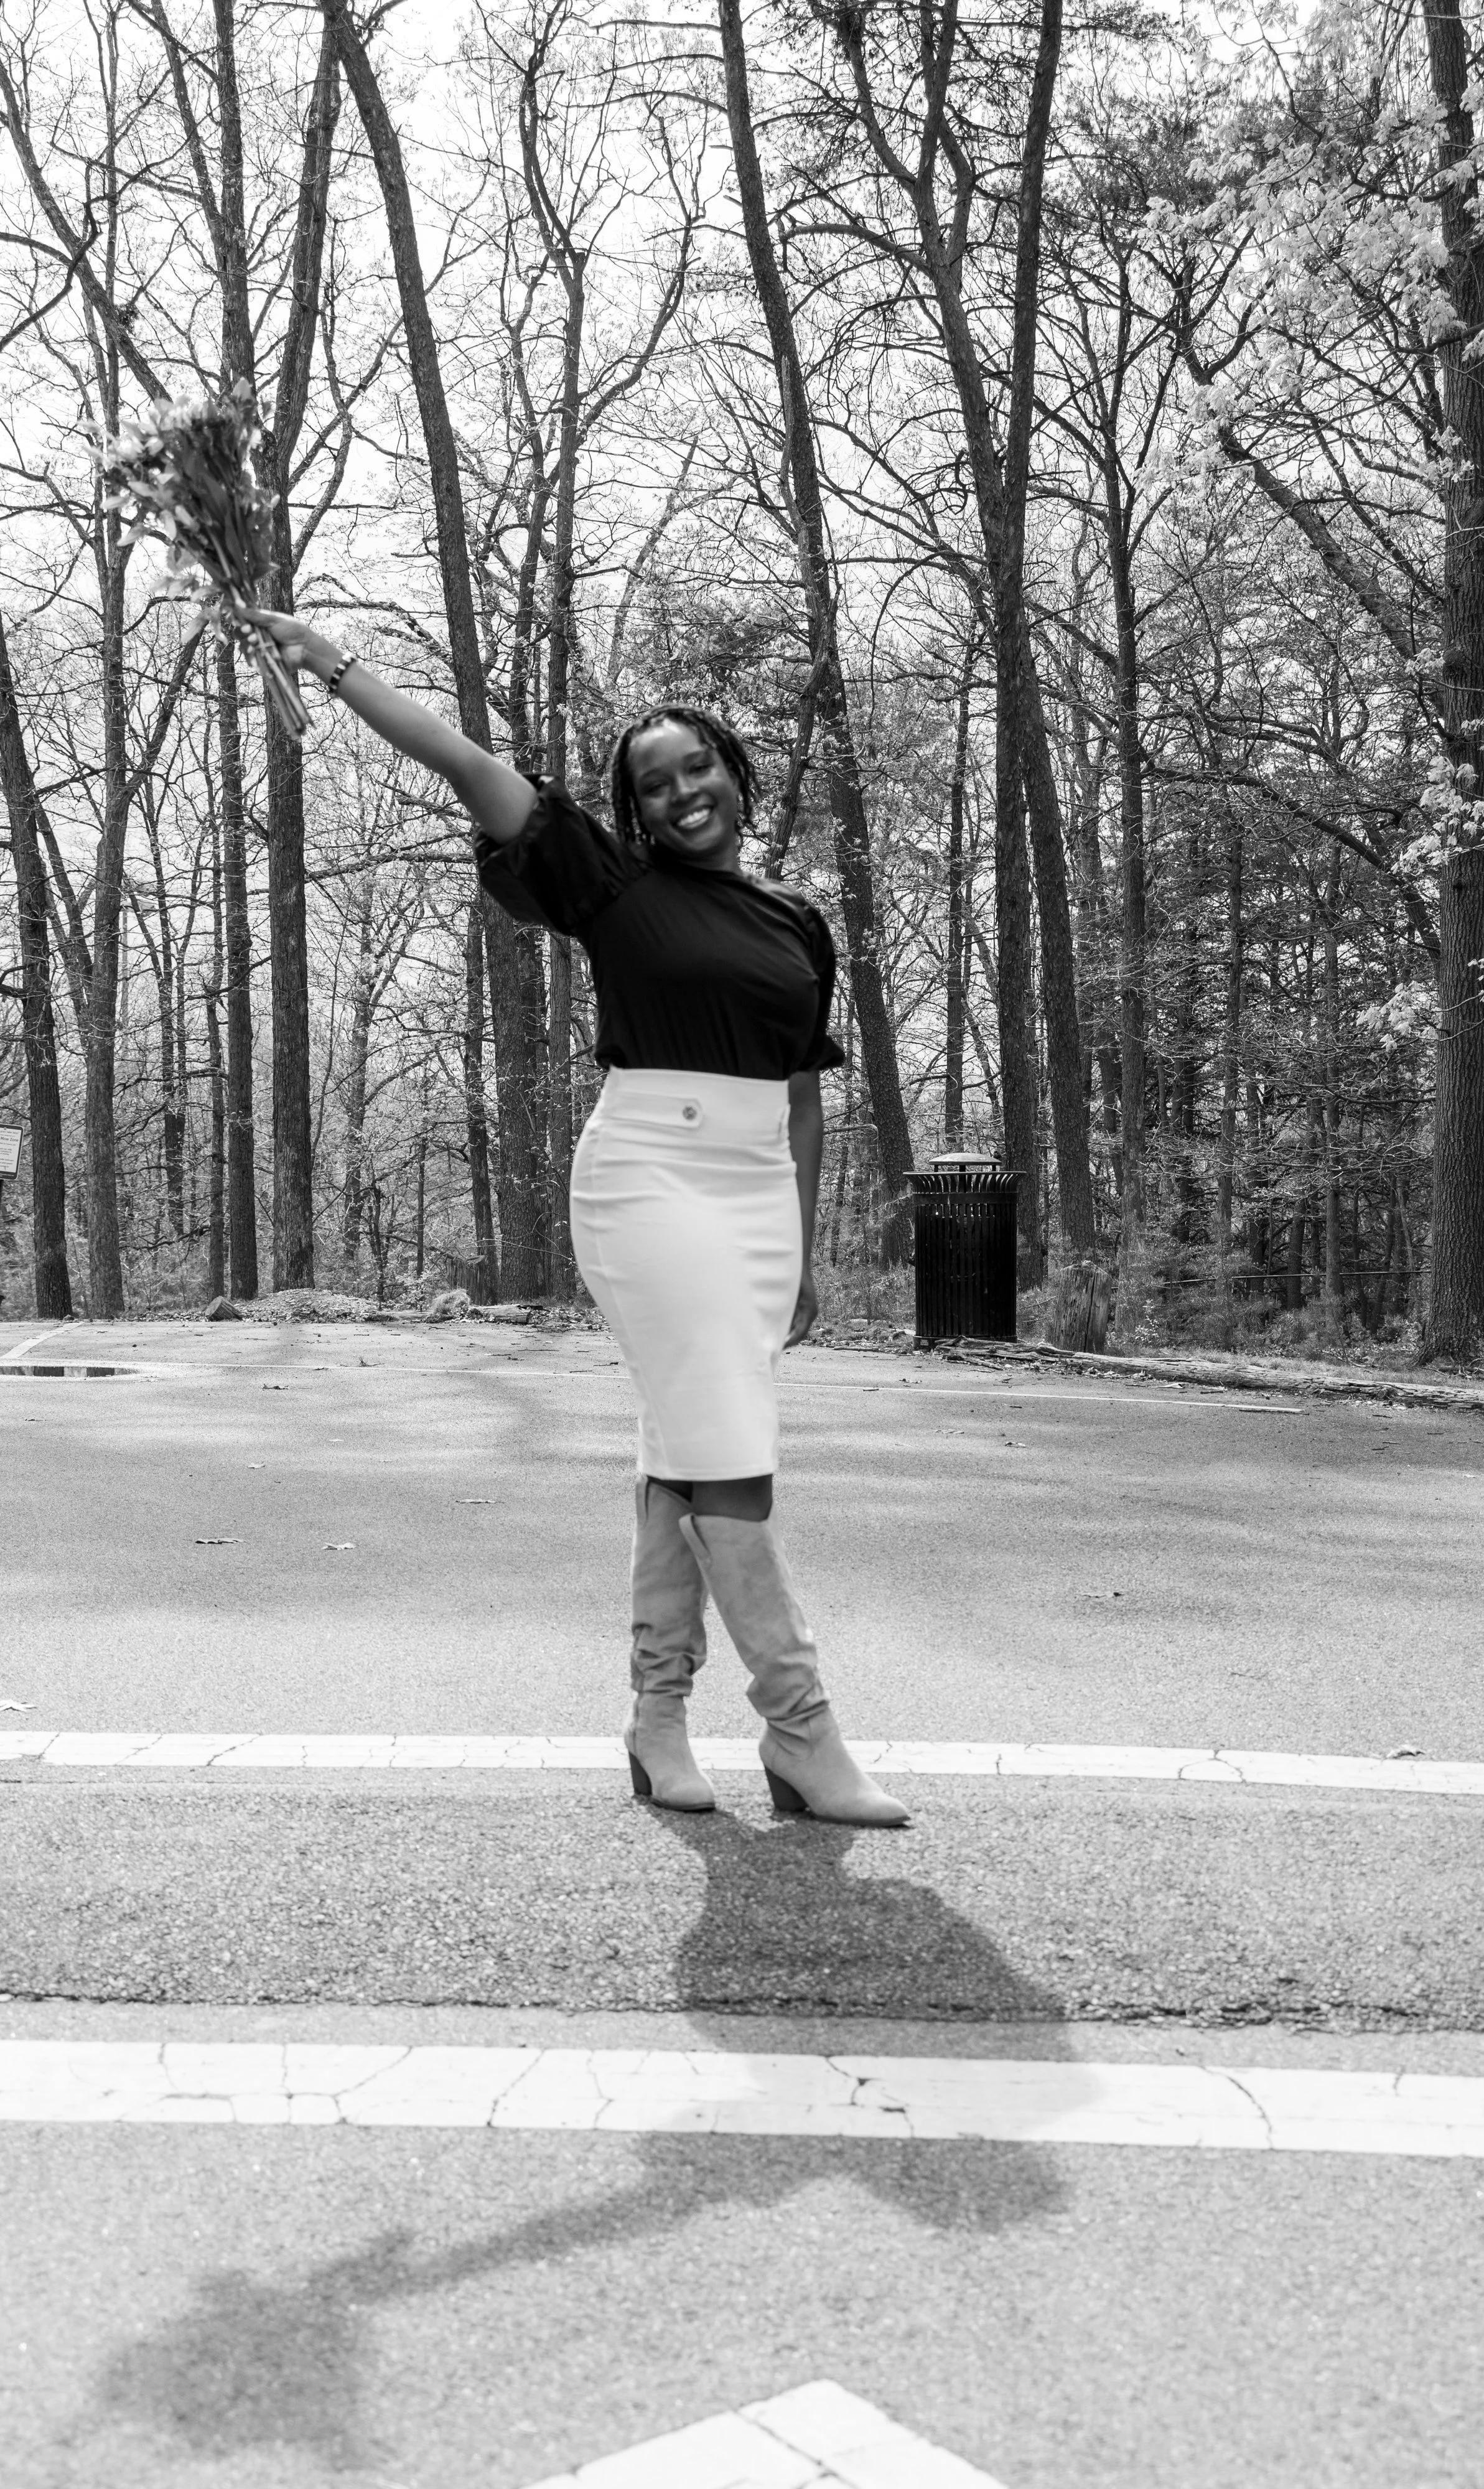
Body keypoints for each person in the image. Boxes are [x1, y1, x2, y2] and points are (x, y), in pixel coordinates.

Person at [248, 609, 908, 1828]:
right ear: (635, 811)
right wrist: (329, 661)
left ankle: (659, 1720)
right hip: (648, 1180)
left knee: (686, 1452)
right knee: (733, 1464)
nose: (680, 791)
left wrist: (802, 1250)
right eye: (652, 783)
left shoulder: (797, 923)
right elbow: (465, 762)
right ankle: (802, 1729)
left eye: (697, 766)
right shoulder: (610, 886)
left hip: (757, 1194)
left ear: (736, 774)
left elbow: (804, 1099)